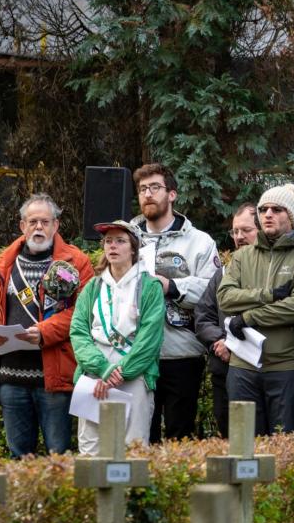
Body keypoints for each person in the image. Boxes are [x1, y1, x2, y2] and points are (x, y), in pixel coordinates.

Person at [0, 193, 94, 457]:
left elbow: (83, 312)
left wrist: (44, 332)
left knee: (58, 457)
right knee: (18, 457)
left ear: (56, 225)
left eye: (45, 222)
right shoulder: (4, 264)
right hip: (11, 379)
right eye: (32, 222)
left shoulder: (77, 262)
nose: (38, 227)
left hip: (54, 378)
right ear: (22, 226)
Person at [216, 184, 294, 436]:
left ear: (292, 217)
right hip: (242, 367)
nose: (268, 214)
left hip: (287, 367)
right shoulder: (243, 256)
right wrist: (268, 295)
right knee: (244, 447)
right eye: (263, 209)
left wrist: (249, 317)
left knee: (286, 450)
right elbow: (225, 298)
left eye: (277, 209)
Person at [129, 162, 220, 442]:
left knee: (179, 438)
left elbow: (213, 291)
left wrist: (172, 286)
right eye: (142, 189)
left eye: (155, 187)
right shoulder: (126, 239)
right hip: (137, 354)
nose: (148, 194)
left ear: (172, 194)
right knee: (140, 438)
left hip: (182, 354)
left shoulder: (200, 242)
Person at [69, 220, 165, 454]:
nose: (112, 246)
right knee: (91, 448)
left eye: (120, 241)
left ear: (133, 248)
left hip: (134, 373)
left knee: (133, 448)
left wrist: (121, 372)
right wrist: (102, 368)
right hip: (95, 373)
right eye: (108, 241)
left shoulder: (150, 286)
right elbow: (79, 332)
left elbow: (150, 339)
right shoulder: (92, 287)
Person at [194, 203, 257, 437]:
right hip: (224, 370)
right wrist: (219, 341)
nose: (239, 237)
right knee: (229, 439)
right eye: (235, 231)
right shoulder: (222, 273)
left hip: (258, 371)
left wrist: (234, 344)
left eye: (246, 230)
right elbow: (203, 316)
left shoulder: (271, 272)